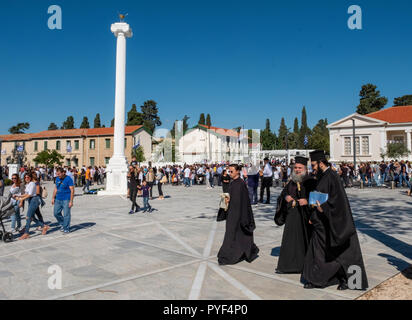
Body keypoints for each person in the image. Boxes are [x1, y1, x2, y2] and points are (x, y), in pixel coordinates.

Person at [302, 150, 368, 291]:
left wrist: (323, 208)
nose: (312, 167)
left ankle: (346, 280)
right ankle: (320, 279)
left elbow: (337, 201)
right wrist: (314, 216)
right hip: (322, 221)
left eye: (313, 165)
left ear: (320, 163)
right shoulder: (323, 176)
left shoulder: (332, 176)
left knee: (343, 253)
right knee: (320, 253)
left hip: (334, 221)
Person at [274, 157, 316, 274]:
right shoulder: (291, 182)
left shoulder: (311, 181)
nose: (297, 170)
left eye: (300, 168)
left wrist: (307, 201)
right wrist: (285, 197)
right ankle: (288, 266)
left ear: (305, 169)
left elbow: (318, 198)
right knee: (290, 242)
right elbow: (283, 194)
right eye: (296, 168)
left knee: (305, 241)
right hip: (292, 217)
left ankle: (305, 266)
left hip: (305, 217)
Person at [217, 164, 259, 265]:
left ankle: (233, 254)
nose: (229, 173)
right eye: (229, 171)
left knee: (236, 234)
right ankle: (230, 252)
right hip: (232, 213)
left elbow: (243, 201)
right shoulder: (233, 183)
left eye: (231, 171)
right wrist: (225, 200)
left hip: (238, 215)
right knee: (231, 234)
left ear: (237, 172)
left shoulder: (241, 184)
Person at [18, 173, 50, 240]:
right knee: (31, 217)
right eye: (25, 177)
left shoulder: (32, 184)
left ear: (30, 178)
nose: (26, 178)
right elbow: (26, 193)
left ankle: (26, 233)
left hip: (34, 200)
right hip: (31, 200)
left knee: (28, 217)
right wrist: (19, 196)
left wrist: (22, 199)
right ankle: (44, 226)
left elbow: (30, 194)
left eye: (28, 177)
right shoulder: (28, 184)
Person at [52, 167, 75, 233]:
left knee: (66, 214)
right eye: (57, 174)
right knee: (56, 213)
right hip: (58, 198)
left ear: (63, 173)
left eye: (59, 174)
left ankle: (66, 227)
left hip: (66, 199)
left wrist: (71, 201)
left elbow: (72, 190)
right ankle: (62, 224)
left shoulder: (68, 179)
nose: (57, 175)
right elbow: (56, 188)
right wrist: (53, 198)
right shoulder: (57, 179)